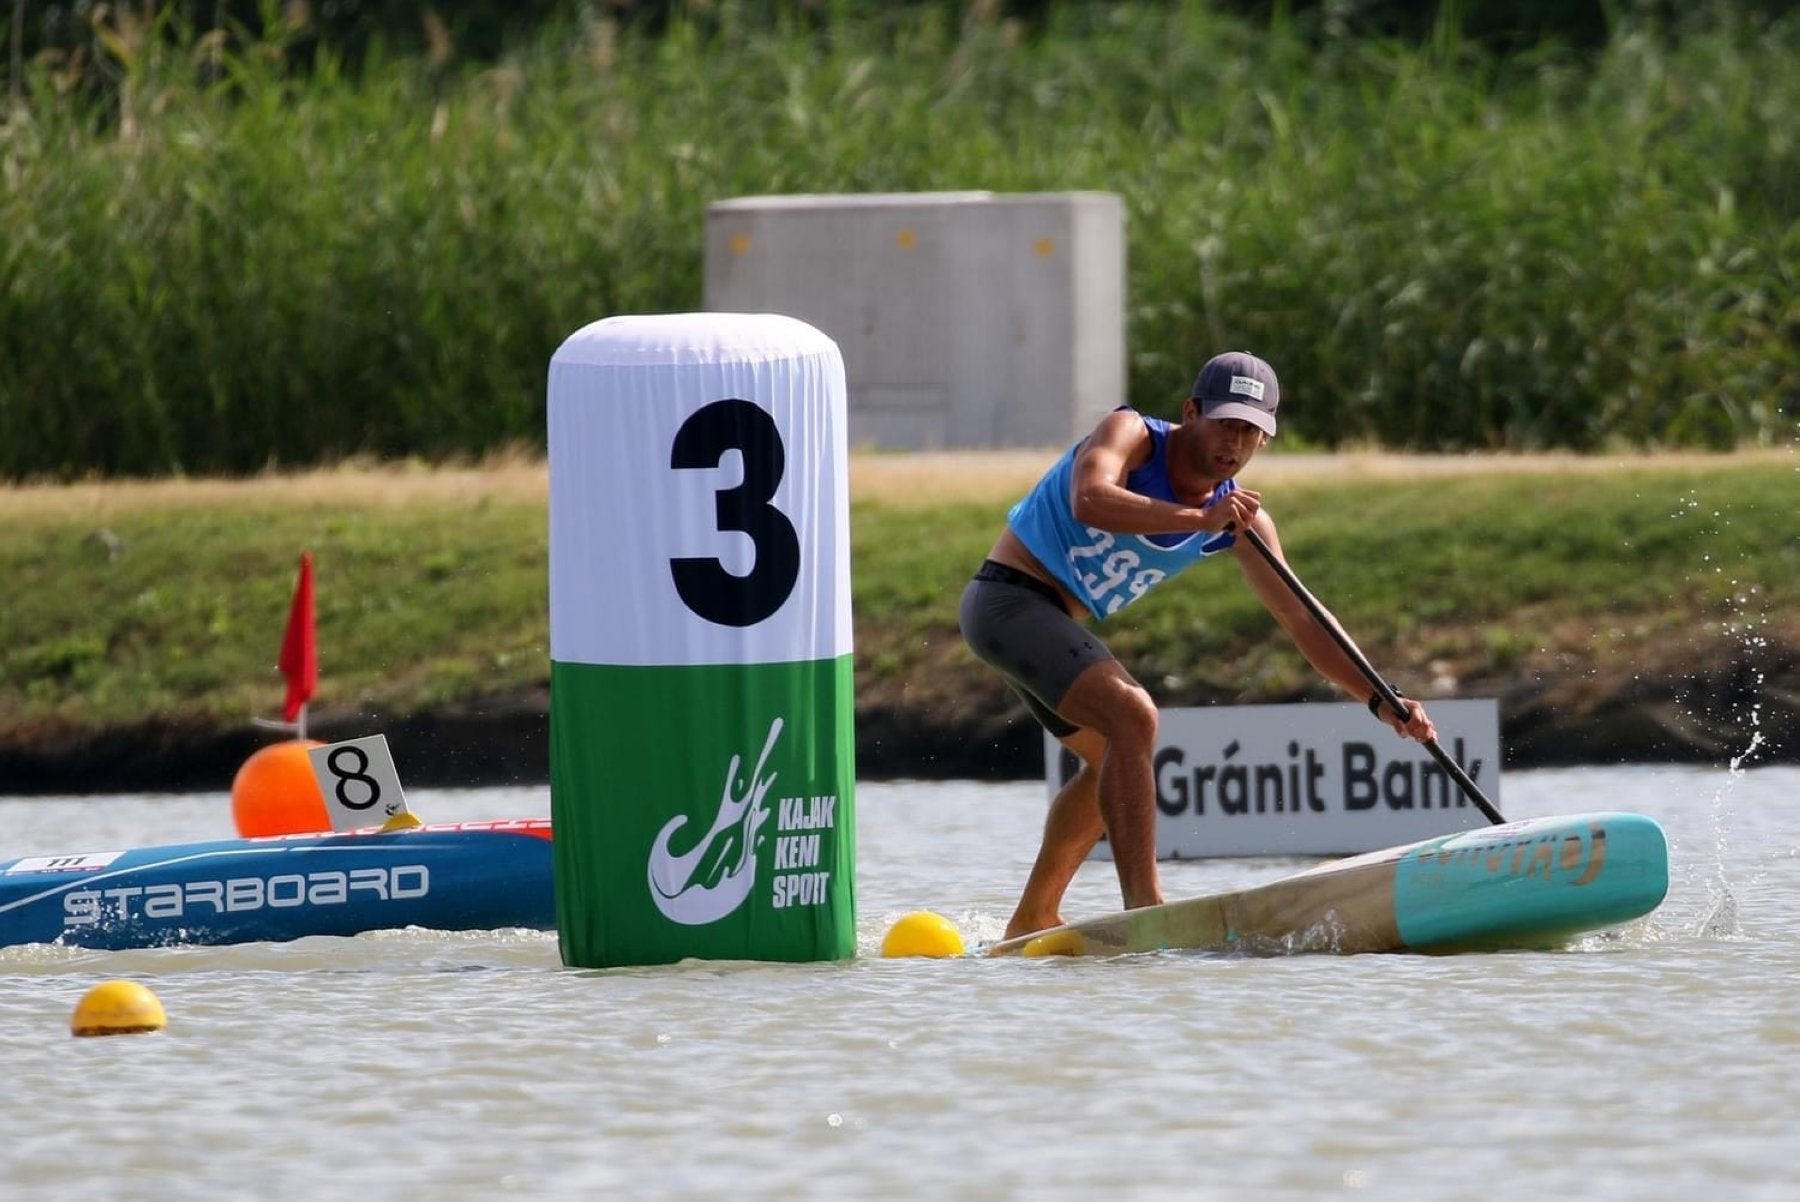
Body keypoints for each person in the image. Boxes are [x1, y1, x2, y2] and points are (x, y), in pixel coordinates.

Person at [958, 351, 1441, 940]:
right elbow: (1092, 498)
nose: (1234, 443)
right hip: (1006, 601)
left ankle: (1032, 917)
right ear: (1191, 413)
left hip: (1053, 624)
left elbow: (1302, 617)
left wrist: (1379, 696)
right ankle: (1147, 910)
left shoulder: (1241, 522)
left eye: (1251, 431)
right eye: (1225, 423)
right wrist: (1198, 518)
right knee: (1134, 716)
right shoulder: (1132, 435)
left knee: (1111, 756)